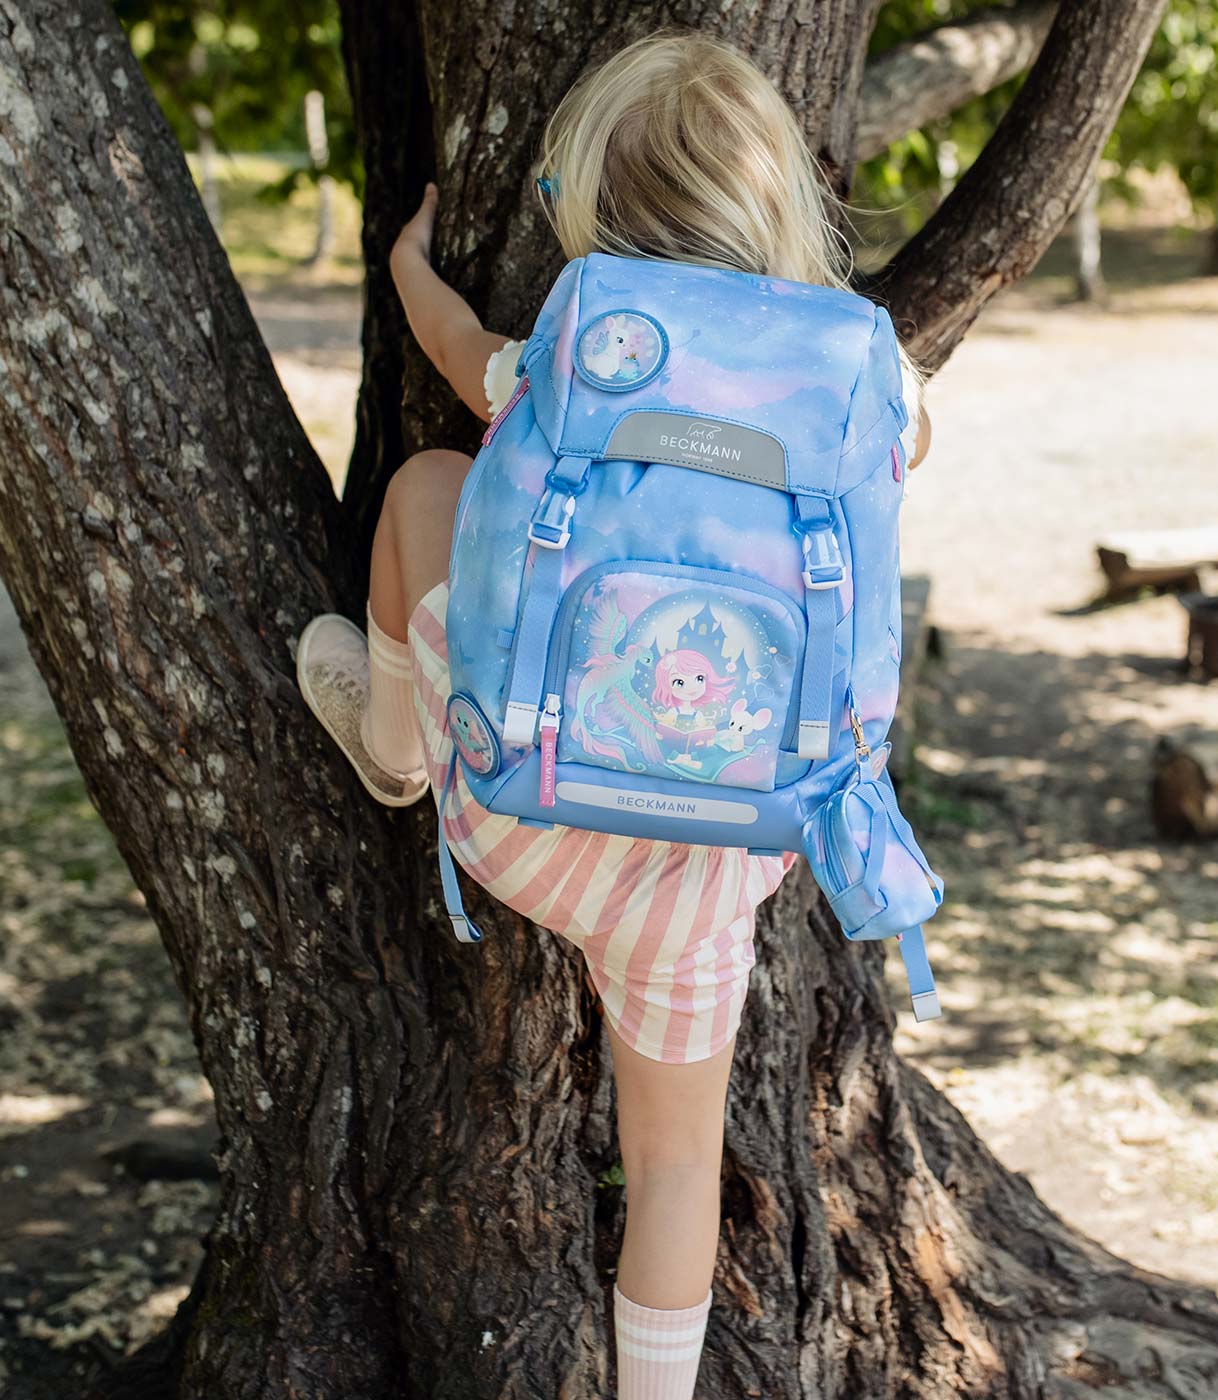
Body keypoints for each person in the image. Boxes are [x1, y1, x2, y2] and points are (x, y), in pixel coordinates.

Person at [295, 27, 930, 1400]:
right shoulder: (861, 375)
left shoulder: (582, 344)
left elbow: (457, 351)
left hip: (524, 809)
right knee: (677, 1165)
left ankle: (395, 749)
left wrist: (408, 269)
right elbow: (907, 451)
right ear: (782, 202)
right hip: (717, 860)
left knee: (423, 489)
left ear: (584, 202)